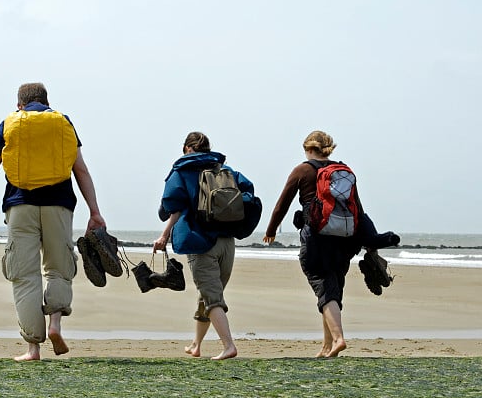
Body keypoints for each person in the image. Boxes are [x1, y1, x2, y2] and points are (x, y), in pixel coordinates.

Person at [0, 82, 106, 361]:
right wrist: (94, 211)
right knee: (58, 268)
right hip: (59, 206)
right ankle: (55, 323)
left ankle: (33, 348)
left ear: (19, 104)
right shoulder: (63, 122)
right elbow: (80, 168)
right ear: (47, 102)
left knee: (25, 275)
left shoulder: (9, 123)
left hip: (20, 208)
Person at [263, 130, 384, 358]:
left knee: (322, 285)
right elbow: (358, 207)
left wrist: (270, 231)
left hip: (317, 237)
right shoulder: (343, 171)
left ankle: (338, 339)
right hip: (345, 238)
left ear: (306, 148)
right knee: (333, 287)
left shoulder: (302, 170)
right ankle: (327, 347)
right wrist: (369, 240)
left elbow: (282, 204)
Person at [153, 132, 257, 360]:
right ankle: (195, 345)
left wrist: (163, 237)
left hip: (199, 242)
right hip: (227, 242)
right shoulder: (225, 170)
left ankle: (229, 345)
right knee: (209, 294)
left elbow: (173, 207)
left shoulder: (181, 171)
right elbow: (248, 193)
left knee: (212, 298)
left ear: (186, 149)